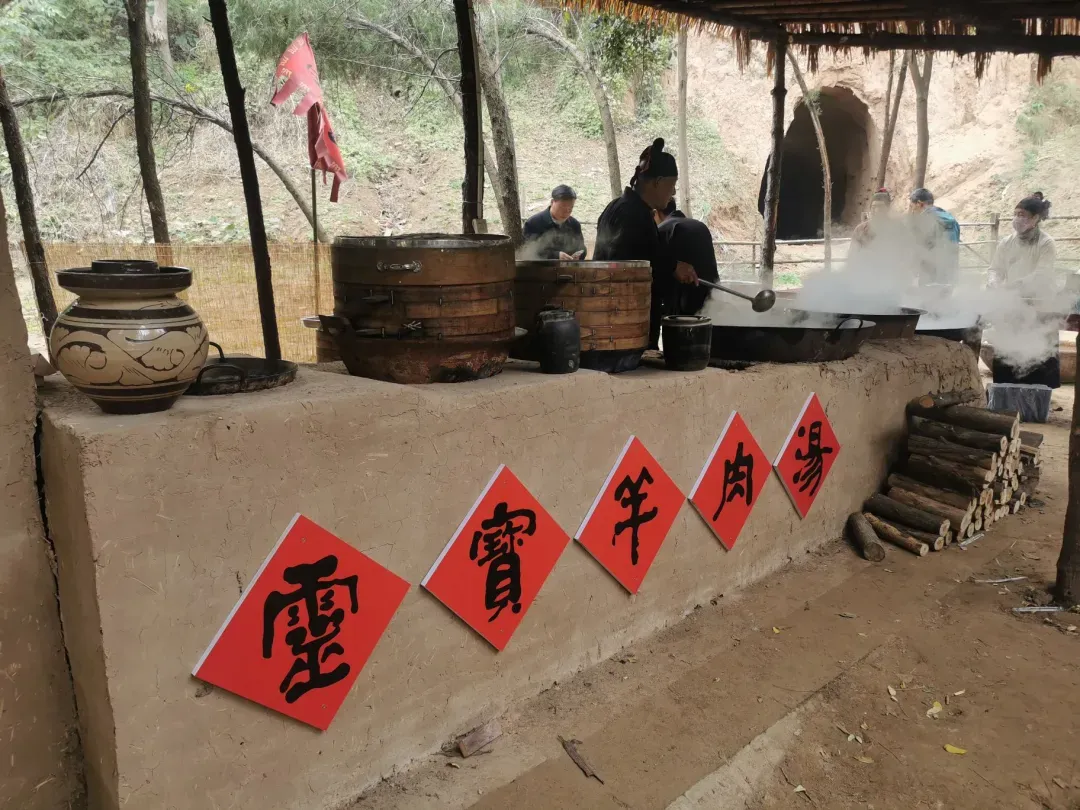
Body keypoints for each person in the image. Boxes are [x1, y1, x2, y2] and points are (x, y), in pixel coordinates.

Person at [595, 138, 697, 349]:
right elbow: (628, 264)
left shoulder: (618, 206)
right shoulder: (632, 214)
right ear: (658, 182)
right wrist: (673, 267)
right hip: (623, 325)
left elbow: (642, 251)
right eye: (672, 185)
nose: (673, 193)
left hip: (616, 321)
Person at [988, 195, 1060, 388]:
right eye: (1016, 214)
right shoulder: (1006, 243)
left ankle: (1038, 394)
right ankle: (1006, 391)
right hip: (1012, 305)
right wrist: (994, 283)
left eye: (1023, 215)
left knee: (1039, 355)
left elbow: (1041, 274)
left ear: (1035, 218)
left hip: (1039, 305)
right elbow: (995, 269)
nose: (1017, 219)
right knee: (1008, 352)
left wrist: (1012, 286)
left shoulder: (1046, 243)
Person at [655, 200, 719, 321]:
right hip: (711, 295)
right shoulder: (700, 226)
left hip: (681, 305)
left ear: (656, 213)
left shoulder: (662, 229)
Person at [909, 188, 960, 286]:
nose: (913, 210)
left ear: (919, 203)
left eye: (912, 206)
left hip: (930, 275)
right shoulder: (950, 218)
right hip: (950, 273)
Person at [521, 185, 587, 260]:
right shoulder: (533, 223)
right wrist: (556, 255)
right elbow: (527, 252)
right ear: (552, 202)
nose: (566, 212)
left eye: (571, 208)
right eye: (562, 207)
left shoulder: (574, 224)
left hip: (568, 267)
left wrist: (579, 255)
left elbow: (582, 248)